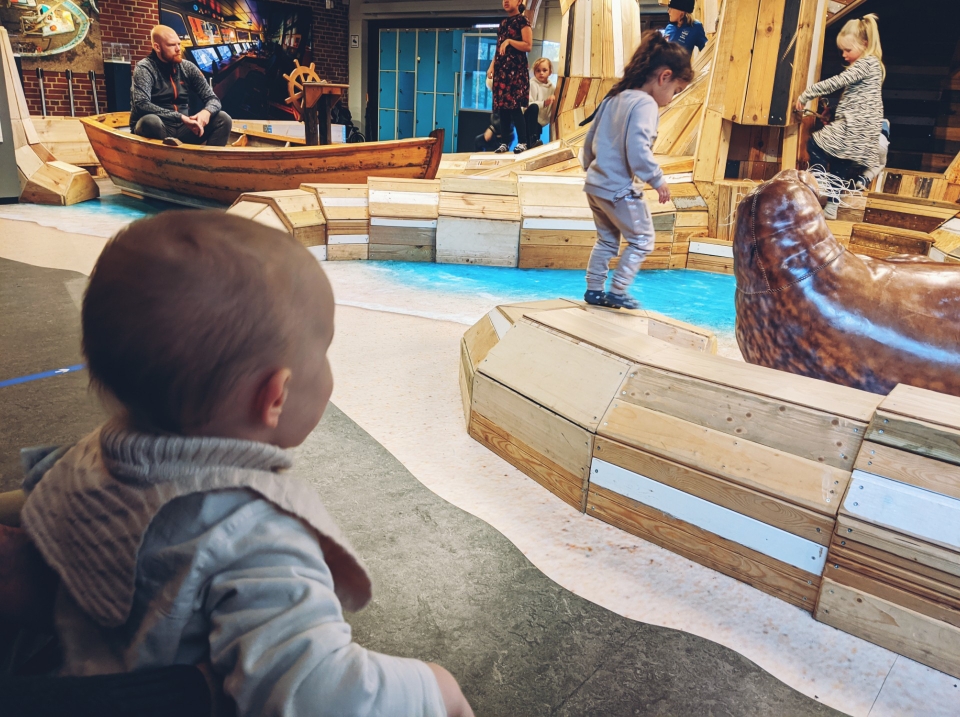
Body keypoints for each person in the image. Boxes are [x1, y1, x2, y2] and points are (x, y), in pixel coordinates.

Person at [17, 212, 474, 717]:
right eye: (323, 352)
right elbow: (314, 691)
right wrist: (434, 689)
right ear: (274, 397)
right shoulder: (254, 536)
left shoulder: (87, 461)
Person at [581, 32, 693, 310]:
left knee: (606, 240)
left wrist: (592, 170)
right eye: (676, 90)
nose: (672, 98)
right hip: (619, 190)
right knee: (642, 239)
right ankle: (617, 291)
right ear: (664, 76)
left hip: (595, 186)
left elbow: (589, 139)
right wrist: (657, 180)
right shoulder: (646, 104)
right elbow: (638, 148)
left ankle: (594, 290)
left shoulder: (614, 97)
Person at [795, 14, 884, 218]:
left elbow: (838, 81)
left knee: (814, 144)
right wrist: (833, 111)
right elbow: (858, 99)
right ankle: (832, 208)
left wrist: (808, 94)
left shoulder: (866, 63)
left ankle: (822, 186)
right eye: (842, 50)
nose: (844, 55)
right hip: (864, 132)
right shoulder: (874, 66)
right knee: (839, 164)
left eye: (848, 50)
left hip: (855, 128)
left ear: (865, 44)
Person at [131, 25, 233, 146]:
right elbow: (141, 104)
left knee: (223, 119)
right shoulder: (145, 68)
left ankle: (209, 164)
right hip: (159, 128)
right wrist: (180, 117)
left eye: (179, 44)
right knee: (150, 122)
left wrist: (206, 112)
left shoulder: (187, 67)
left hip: (183, 128)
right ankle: (159, 163)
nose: (178, 49)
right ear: (157, 47)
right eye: (172, 45)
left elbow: (213, 99)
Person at [490, 0, 533, 154]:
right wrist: (492, 66)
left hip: (515, 71)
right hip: (502, 71)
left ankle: (523, 142)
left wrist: (509, 41)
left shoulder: (522, 20)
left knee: (514, 107)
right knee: (502, 108)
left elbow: (528, 45)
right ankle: (504, 142)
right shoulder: (502, 23)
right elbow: (498, 48)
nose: (506, 1)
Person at [525, 57, 556, 149]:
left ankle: (534, 140)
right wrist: (544, 103)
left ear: (550, 72)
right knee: (534, 107)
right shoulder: (532, 84)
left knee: (533, 148)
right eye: (538, 70)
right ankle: (532, 139)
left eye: (544, 70)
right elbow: (527, 105)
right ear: (534, 72)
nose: (541, 73)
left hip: (540, 123)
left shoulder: (553, 88)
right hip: (528, 120)